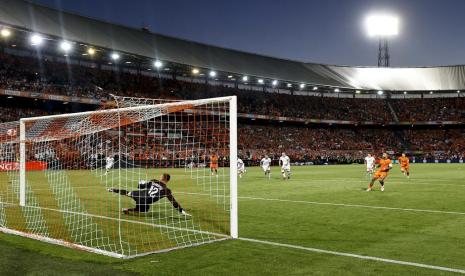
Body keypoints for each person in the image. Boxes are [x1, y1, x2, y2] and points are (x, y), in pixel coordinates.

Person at [108, 173, 190, 215]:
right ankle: (126, 209)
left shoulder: (153, 181)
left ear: (162, 178)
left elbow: (140, 186)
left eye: (161, 176)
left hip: (139, 194)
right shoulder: (166, 190)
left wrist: (141, 182)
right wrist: (181, 211)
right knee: (144, 210)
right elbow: (173, 202)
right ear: (167, 180)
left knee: (127, 193)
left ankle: (113, 189)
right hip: (146, 200)